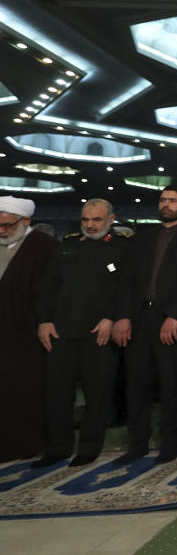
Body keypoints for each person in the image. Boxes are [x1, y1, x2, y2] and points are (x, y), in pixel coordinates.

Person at [112, 184, 177, 464]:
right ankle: (138, 443)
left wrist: (175, 316)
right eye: (162, 200)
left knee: (172, 385)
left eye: (172, 201)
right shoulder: (142, 239)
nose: (166, 205)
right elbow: (126, 281)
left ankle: (170, 442)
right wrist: (122, 316)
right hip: (140, 320)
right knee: (137, 385)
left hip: (174, 322)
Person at [33, 199, 129, 468]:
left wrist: (112, 317)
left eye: (97, 220)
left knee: (97, 396)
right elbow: (47, 288)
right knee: (57, 394)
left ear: (111, 219)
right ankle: (58, 447)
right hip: (60, 333)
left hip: (98, 334)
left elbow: (127, 289)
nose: (90, 225)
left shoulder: (122, 248)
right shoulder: (68, 246)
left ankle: (89, 448)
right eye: (86, 220)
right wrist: (44, 321)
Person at [0, 196, 57, 463]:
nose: (2, 230)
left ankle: (27, 445)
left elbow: (51, 291)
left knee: (24, 391)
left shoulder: (44, 246)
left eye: (7, 225)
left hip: (27, 333)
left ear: (25, 221)